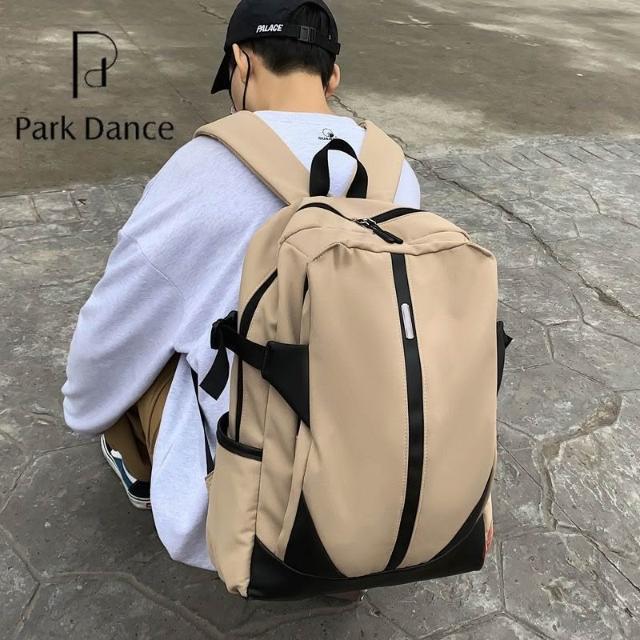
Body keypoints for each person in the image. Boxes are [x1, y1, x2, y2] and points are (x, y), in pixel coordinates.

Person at [62, 0, 422, 571]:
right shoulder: (395, 170)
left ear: (241, 61)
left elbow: (114, 324)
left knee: (147, 338)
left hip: (254, 494)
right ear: (332, 75)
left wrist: (84, 411)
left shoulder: (205, 167)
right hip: (375, 458)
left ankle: (152, 474)